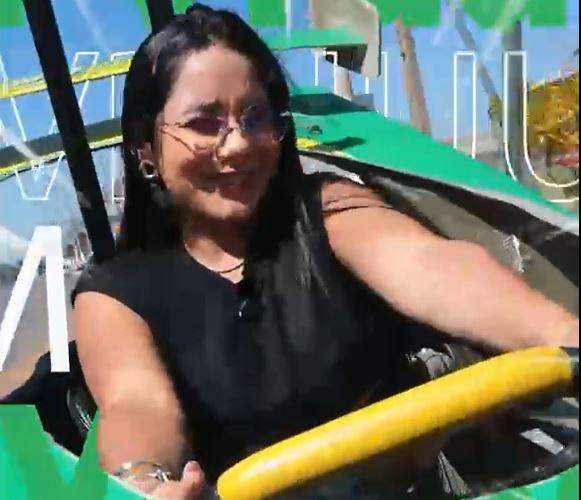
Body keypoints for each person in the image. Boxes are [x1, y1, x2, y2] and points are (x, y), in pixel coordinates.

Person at [69, 4, 578, 499]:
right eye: (204, 122)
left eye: (255, 117)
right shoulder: (114, 292)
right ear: (144, 147)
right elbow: (136, 405)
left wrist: (562, 334)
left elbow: (434, 267)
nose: (239, 144)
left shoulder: (327, 212)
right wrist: (144, 482)